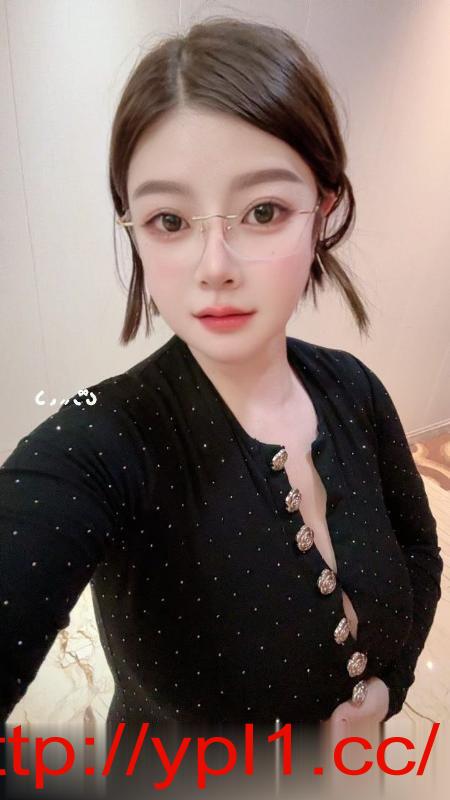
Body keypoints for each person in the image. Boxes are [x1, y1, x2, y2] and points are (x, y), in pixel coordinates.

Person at [0, 15, 443, 796]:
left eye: (262, 211)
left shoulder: (354, 391)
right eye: (170, 221)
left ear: (323, 208)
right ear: (136, 230)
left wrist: (386, 691)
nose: (215, 266)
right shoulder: (104, 443)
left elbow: (419, 554)